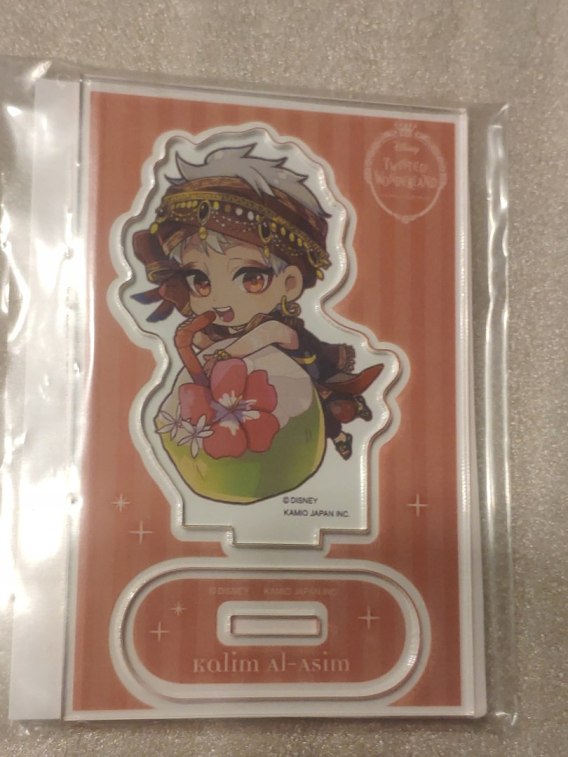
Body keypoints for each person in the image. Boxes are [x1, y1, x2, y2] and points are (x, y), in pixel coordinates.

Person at [132, 144, 382, 459]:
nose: (220, 298)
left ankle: (343, 433)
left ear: (289, 283)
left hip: (302, 391)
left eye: (250, 278)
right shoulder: (217, 330)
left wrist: (219, 353)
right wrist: (198, 342)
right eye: (201, 281)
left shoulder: (276, 328)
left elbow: (263, 336)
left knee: (325, 411)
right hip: (247, 420)